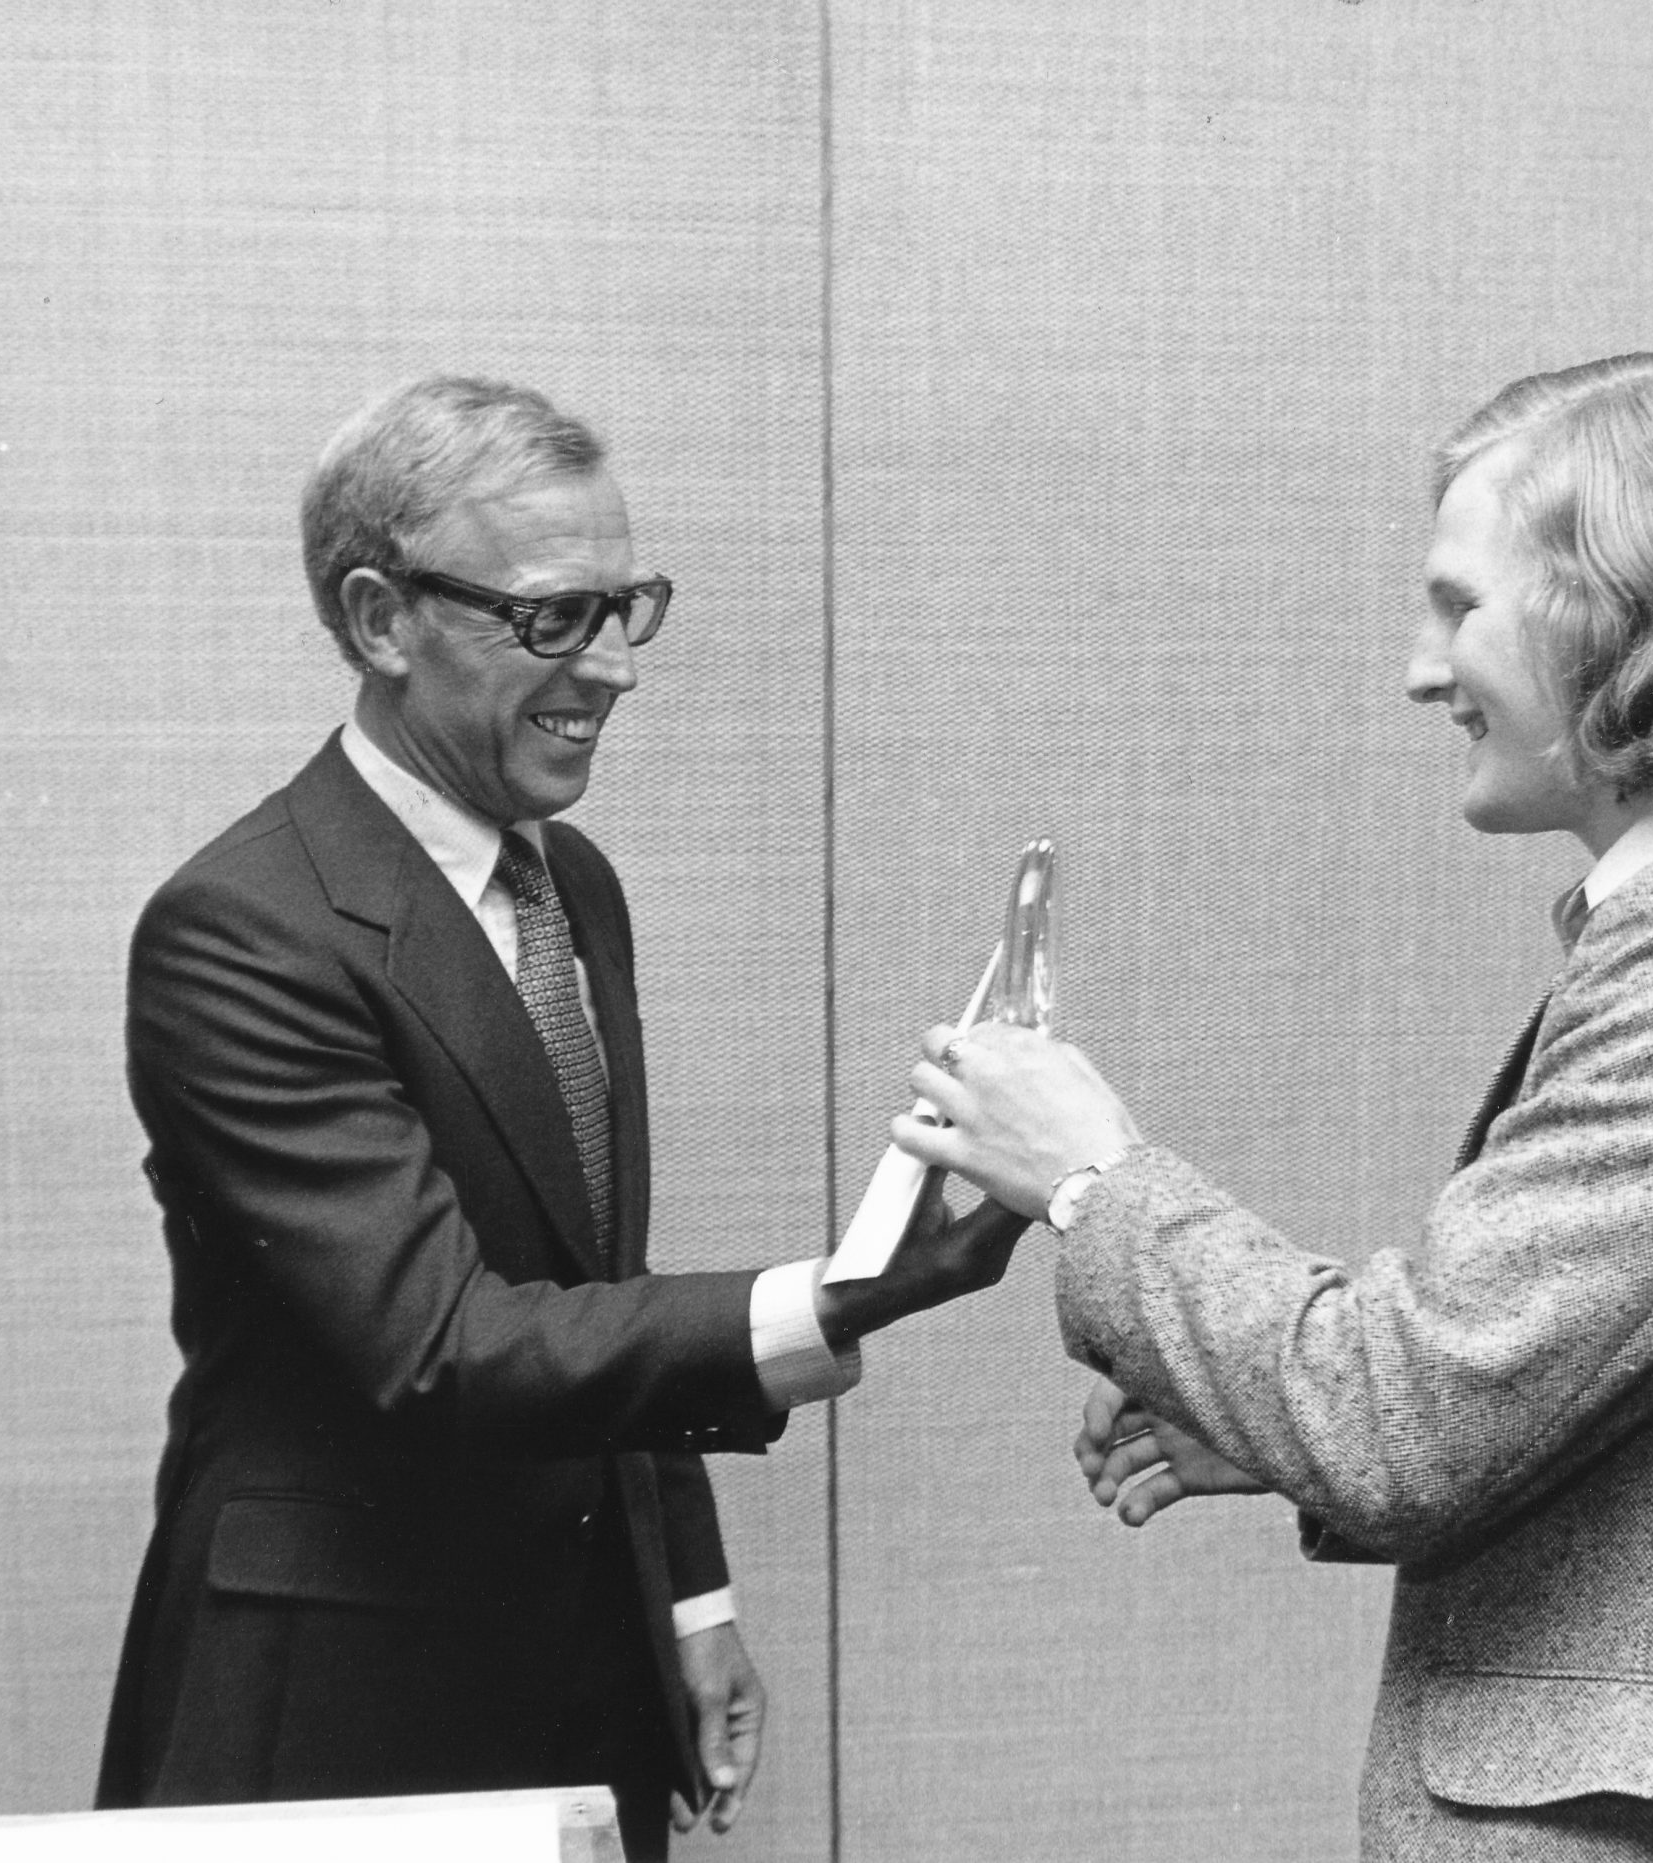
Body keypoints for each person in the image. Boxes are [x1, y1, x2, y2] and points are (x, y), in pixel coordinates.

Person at [896, 336, 1653, 1859]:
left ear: (1617, 614)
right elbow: (1609, 1409)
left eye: (1459, 608)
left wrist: (1095, 1182)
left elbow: (1414, 1413)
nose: (1421, 670)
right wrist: (1275, 1431)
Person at [95, 375, 1019, 1857]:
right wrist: (834, 1300)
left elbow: (587, 1291)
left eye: (624, 606)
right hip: (340, 1718)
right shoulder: (243, 931)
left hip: (581, 1677)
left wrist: (688, 1593)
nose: (614, 670)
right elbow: (442, 1345)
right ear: (381, 617)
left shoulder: (568, 885)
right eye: (551, 618)